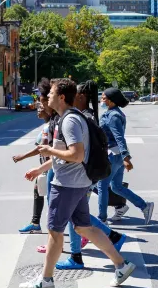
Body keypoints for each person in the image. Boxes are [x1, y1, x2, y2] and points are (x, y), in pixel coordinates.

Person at [19, 78, 135, 288]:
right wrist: (41, 168)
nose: (47, 97)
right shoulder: (69, 117)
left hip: (67, 185)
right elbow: (68, 154)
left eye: (51, 93)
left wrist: (49, 151)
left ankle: (45, 280)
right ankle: (121, 264)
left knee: (54, 231)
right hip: (77, 182)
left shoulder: (69, 121)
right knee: (84, 227)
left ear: (61, 97)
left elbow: (76, 154)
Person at [53, 81, 128, 270]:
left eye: (76, 95)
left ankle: (81, 253)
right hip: (82, 175)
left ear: (81, 97)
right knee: (79, 221)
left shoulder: (80, 117)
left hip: (80, 176)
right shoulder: (85, 116)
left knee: (75, 220)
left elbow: (79, 152)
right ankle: (110, 247)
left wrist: (125, 155)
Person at [97, 87, 155, 225]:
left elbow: (119, 137)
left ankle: (102, 219)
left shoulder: (113, 116)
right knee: (116, 186)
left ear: (111, 101)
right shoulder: (113, 113)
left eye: (104, 98)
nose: (101, 100)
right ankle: (144, 206)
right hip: (116, 155)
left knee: (102, 186)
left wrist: (126, 157)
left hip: (113, 155)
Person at [13, 83, 54, 234]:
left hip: (50, 167)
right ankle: (35, 222)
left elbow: (41, 147)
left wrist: (22, 156)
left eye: (41, 107)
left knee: (55, 202)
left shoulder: (49, 125)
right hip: (46, 167)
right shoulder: (47, 125)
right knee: (38, 192)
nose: (38, 109)